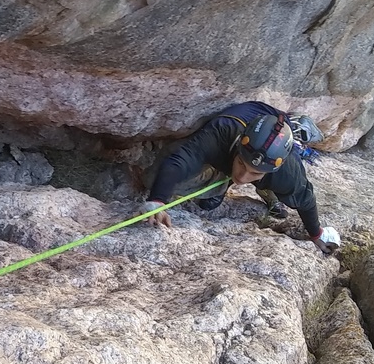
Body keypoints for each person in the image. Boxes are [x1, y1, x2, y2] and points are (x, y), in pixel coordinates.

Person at [142, 101, 340, 254]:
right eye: (241, 165)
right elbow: (178, 162)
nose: (243, 177)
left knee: (272, 183)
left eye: (255, 173)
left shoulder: (287, 171)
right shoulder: (220, 134)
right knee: (153, 180)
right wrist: (158, 200)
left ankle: (293, 128)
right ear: (237, 148)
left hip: (270, 134)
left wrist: (317, 234)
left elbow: (305, 200)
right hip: (238, 130)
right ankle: (227, 180)